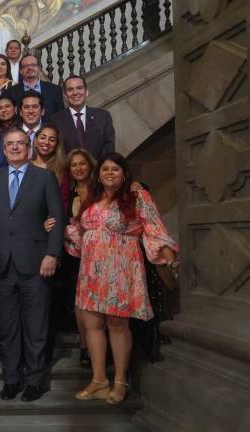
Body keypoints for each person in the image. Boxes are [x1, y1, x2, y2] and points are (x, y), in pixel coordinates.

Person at [67, 153, 178, 404]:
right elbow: (81, 230)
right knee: (91, 324)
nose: (109, 172)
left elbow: (155, 229)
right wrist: (65, 231)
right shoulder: (92, 198)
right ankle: (98, 379)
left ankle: (119, 381)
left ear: (124, 174)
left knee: (117, 325)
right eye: (105, 168)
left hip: (120, 267)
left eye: (115, 169)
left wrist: (169, 256)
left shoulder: (137, 196)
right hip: (90, 270)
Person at [0, 128, 64, 402]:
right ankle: (12, 379)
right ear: (4, 150)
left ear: (29, 148)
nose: (15, 148)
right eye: (10, 144)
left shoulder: (44, 177)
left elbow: (57, 218)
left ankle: (34, 381)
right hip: (3, 265)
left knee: (36, 328)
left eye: (20, 143)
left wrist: (52, 254)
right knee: (7, 329)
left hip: (37, 264)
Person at [60, 148, 96, 367]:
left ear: (90, 166)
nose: (78, 168)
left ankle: (102, 345)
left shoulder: (101, 191)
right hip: (75, 256)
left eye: (82, 164)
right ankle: (85, 347)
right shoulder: (68, 194)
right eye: (74, 165)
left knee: (98, 303)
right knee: (80, 303)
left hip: (100, 255)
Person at [50, 75, 115, 159]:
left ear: (87, 92)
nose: (75, 93)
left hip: (98, 170)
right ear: (65, 96)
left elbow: (109, 147)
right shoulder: (55, 120)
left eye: (79, 88)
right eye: (70, 89)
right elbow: (55, 152)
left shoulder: (103, 116)